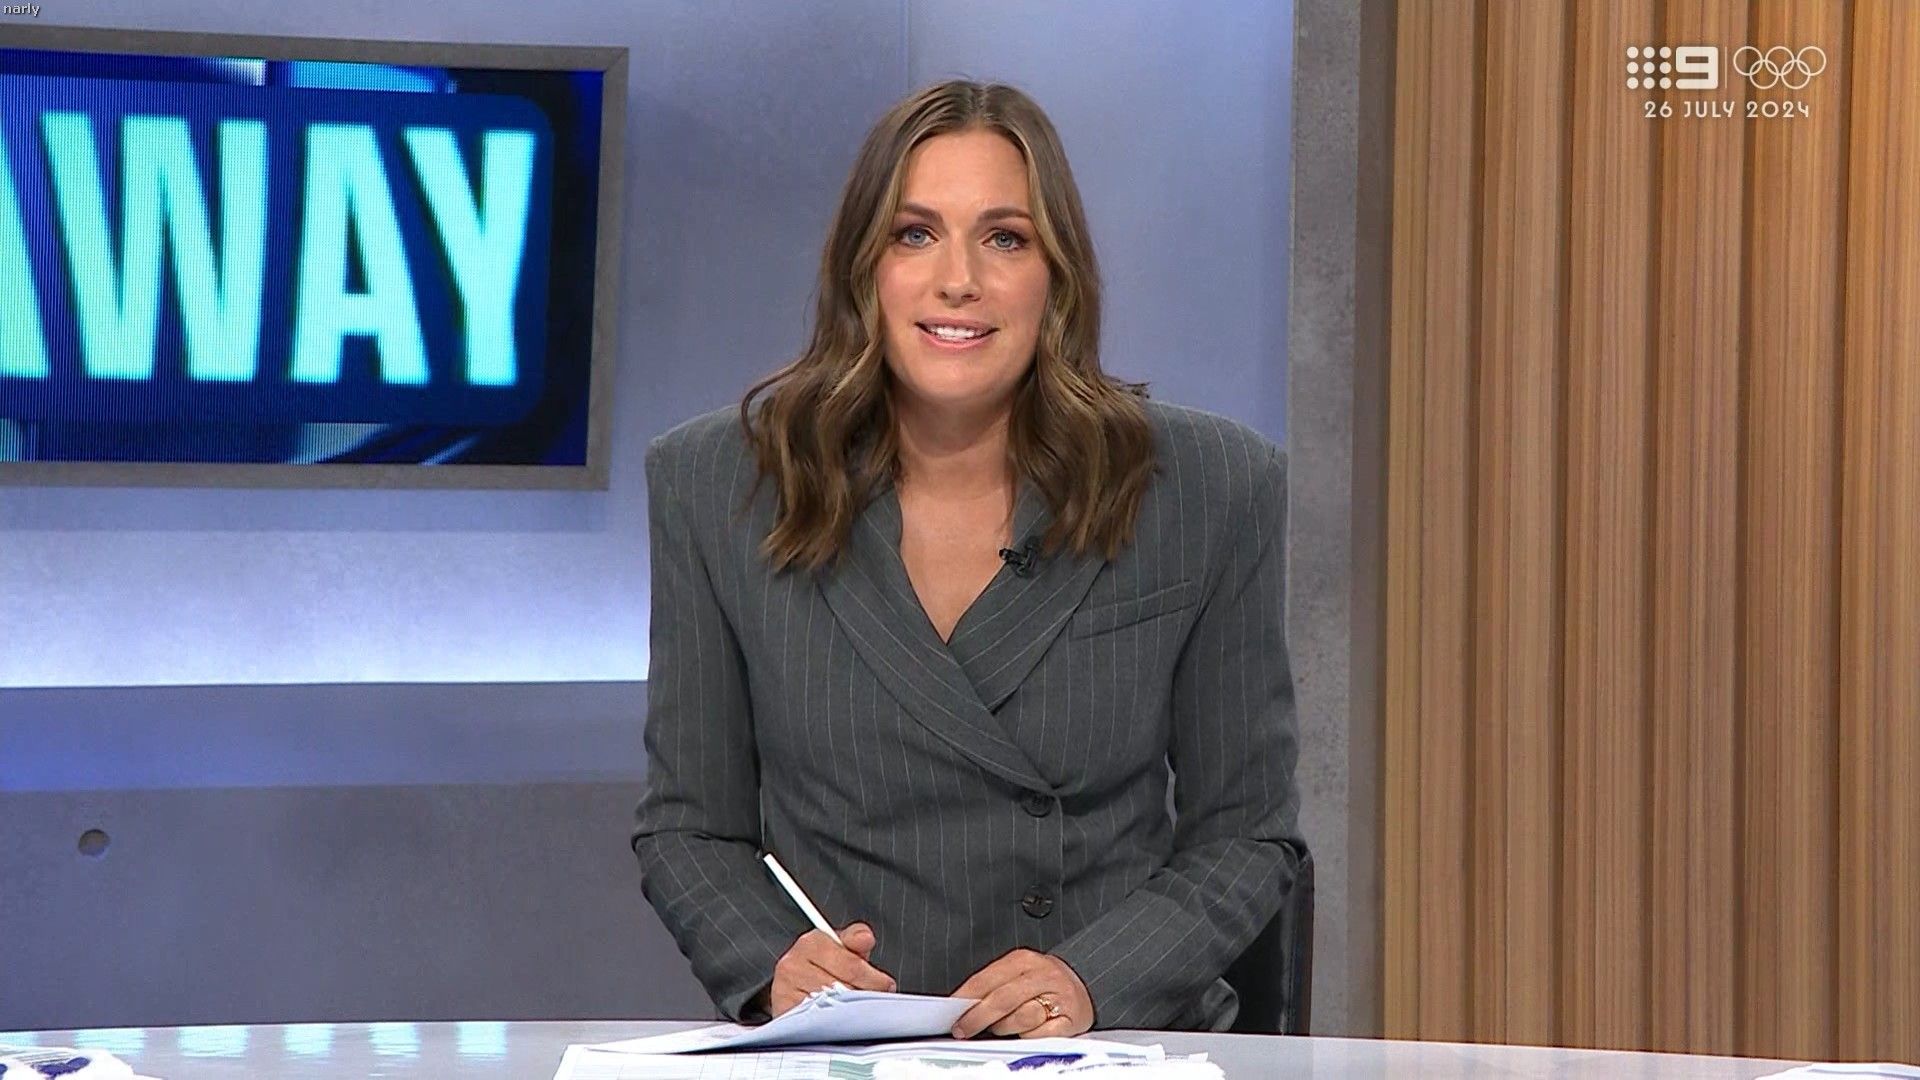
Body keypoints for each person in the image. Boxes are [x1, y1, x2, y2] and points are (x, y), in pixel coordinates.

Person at [632, 78, 1303, 1037]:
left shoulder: (1207, 485)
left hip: (1102, 1043)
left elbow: (1246, 834)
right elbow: (690, 826)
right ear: (863, 268)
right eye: (914, 234)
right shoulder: (719, 484)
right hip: (850, 1045)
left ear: (1056, 275)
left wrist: (1090, 980)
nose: (959, 281)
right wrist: (775, 964)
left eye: (1005, 239)